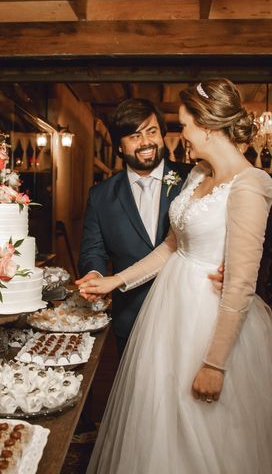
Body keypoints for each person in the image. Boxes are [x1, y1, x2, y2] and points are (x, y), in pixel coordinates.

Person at [80, 79, 272, 474]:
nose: (181, 134)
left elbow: (242, 281)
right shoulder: (196, 174)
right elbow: (172, 246)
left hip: (210, 319)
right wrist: (113, 281)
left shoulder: (250, 185)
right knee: (161, 419)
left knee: (216, 434)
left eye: (185, 125)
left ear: (208, 126)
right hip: (168, 313)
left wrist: (214, 365)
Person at [75, 98, 215, 355]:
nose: (146, 142)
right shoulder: (100, 195)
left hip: (192, 310)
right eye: (134, 136)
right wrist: (95, 276)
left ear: (162, 134)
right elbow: (93, 250)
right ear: (119, 145)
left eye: (151, 132)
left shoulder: (195, 178)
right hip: (131, 313)